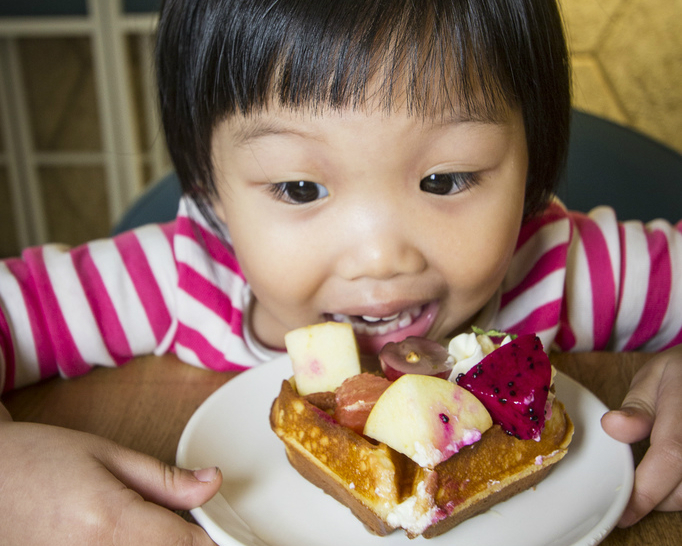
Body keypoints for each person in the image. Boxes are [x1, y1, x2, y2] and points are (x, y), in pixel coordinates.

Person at [0, 0, 680, 543]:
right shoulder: (176, 280)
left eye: (445, 178)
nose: (380, 257)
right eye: (300, 189)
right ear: (211, 189)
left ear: (533, 162)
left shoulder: (560, 269)